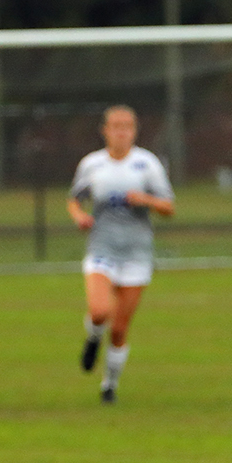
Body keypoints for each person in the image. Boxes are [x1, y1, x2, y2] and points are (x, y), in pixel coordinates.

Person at [67, 106, 175, 404]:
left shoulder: (146, 164)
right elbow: (74, 200)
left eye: (127, 126)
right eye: (115, 126)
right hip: (102, 246)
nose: (121, 131)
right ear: (105, 130)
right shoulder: (92, 164)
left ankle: (109, 385)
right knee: (100, 311)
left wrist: (146, 200)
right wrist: (79, 217)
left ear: (135, 130)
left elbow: (169, 207)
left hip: (136, 252)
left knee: (119, 329)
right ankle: (92, 338)